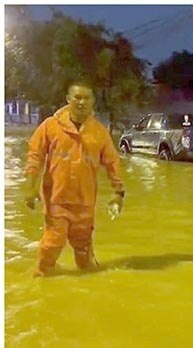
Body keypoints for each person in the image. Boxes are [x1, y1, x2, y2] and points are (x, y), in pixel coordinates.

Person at [23, 80, 125, 276]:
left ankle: (88, 288)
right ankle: (41, 280)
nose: (81, 102)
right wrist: (30, 187)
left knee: (84, 250)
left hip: (85, 202)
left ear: (93, 101)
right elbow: (34, 156)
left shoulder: (99, 132)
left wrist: (118, 193)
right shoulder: (50, 127)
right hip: (57, 200)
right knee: (53, 243)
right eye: (77, 97)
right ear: (68, 99)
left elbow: (113, 163)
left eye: (86, 98)